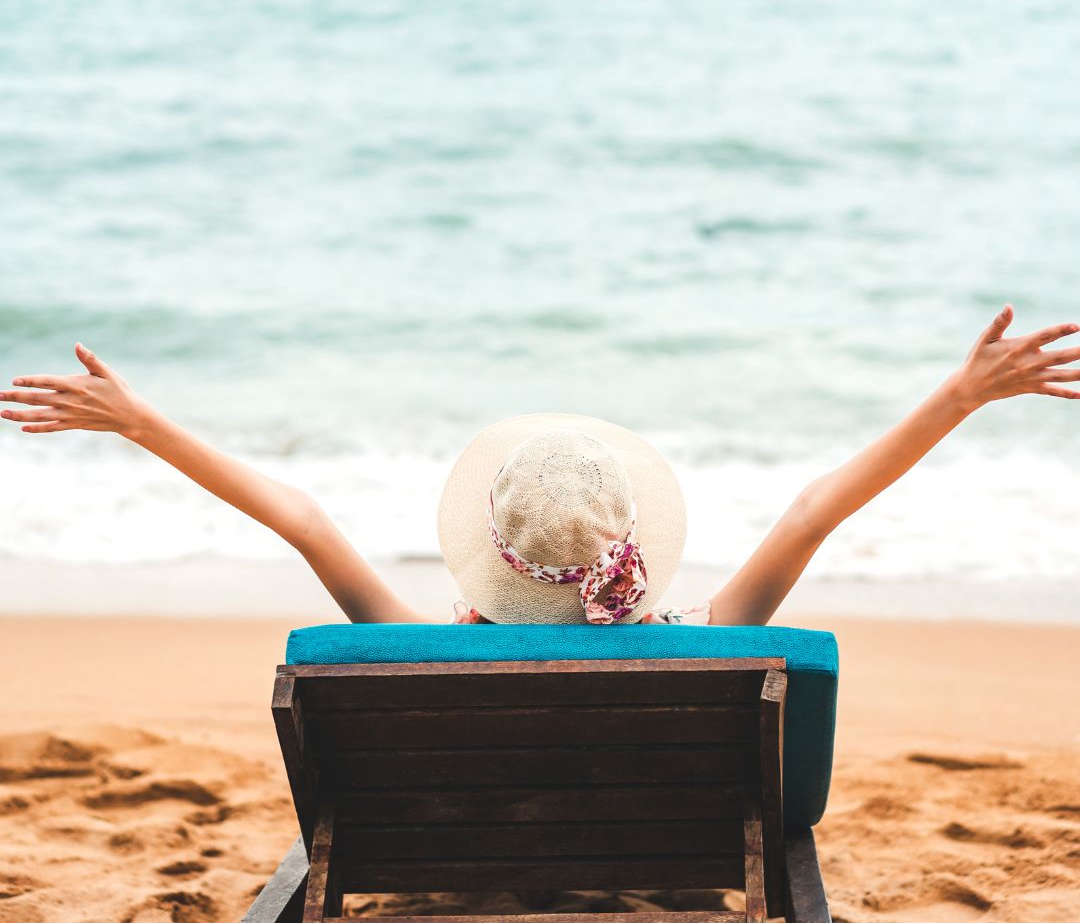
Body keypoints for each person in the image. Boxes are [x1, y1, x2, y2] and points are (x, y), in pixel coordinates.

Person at [1, 304, 1076, 627]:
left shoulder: (406, 656)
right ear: (636, 550)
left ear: (492, 552)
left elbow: (304, 520)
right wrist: (962, 396)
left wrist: (141, 423)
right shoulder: (708, 651)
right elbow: (811, 514)